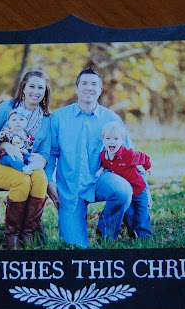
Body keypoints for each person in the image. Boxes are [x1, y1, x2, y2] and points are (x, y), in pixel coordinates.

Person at [45, 67, 146, 247]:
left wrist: (145, 189)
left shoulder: (111, 118)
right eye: (84, 83)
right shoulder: (59, 117)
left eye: (94, 84)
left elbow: (130, 155)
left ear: (100, 90)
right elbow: (51, 154)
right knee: (74, 245)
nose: (89, 88)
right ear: (76, 88)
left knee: (123, 190)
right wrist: (49, 181)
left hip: (100, 179)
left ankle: (106, 232)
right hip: (70, 187)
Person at [0, 70, 52, 249]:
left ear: (45, 91)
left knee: (40, 178)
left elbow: (45, 152)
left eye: (40, 88)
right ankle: (12, 237)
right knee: (22, 181)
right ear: (23, 87)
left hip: (25, 164)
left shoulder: (46, 120)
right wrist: (6, 146)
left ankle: (28, 233)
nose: (36, 91)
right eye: (32, 86)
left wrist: (41, 160)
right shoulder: (6, 108)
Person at [95, 122, 153, 239]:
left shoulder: (128, 154)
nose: (111, 142)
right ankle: (133, 234)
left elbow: (144, 157)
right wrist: (101, 169)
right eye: (108, 138)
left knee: (142, 213)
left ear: (122, 140)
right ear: (103, 140)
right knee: (129, 213)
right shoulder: (104, 155)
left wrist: (147, 168)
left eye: (116, 139)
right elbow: (106, 163)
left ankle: (145, 236)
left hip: (138, 189)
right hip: (126, 191)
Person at [0, 108, 43, 175]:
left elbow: (29, 148)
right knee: (12, 159)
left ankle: (32, 165)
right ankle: (23, 168)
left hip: (22, 155)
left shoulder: (28, 136)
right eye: (14, 120)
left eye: (21, 119)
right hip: (6, 155)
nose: (18, 122)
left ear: (26, 122)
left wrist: (27, 153)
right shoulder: (5, 133)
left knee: (30, 157)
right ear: (9, 123)